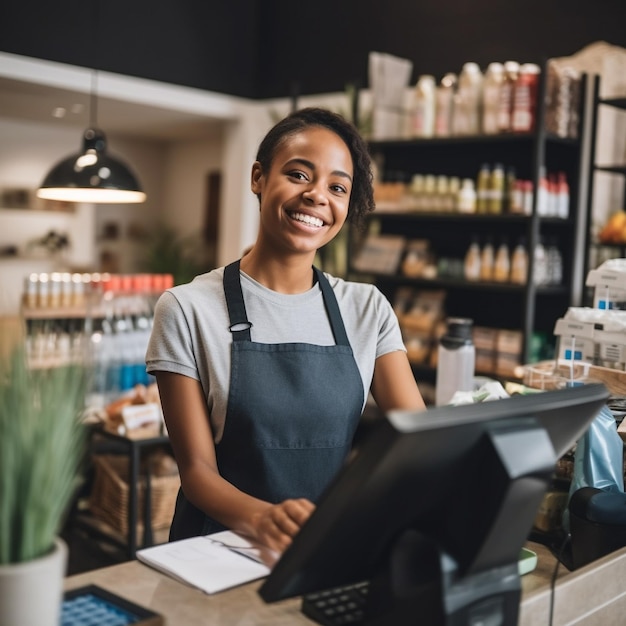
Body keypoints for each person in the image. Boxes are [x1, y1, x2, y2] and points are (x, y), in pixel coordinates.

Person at [146, 107, 426, 555]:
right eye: (299, 175)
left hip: (321, 547)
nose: (318, 196)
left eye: (337, 187)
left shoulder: (367, 309)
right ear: (259, 177)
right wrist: (266, 519)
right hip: (214, 551)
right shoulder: (186, 308)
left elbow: (418, 439)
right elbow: (197, 474)